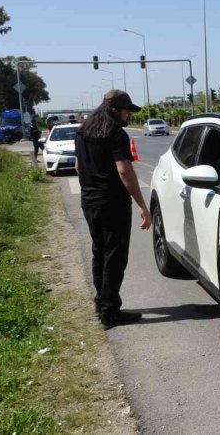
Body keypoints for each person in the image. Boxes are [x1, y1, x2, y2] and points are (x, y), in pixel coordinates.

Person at [74, 89, 152, 329]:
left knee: (100, 252)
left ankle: (101, 304)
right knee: (115, 258)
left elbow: (78, 166)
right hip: (113, 204)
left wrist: (91, 188)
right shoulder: (115, 133)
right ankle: (110, 312)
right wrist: (142, 205)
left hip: (89, 201)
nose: (129, 115)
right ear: (115, 110)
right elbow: (124, 170)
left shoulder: (82, 131)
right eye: (127, 110)